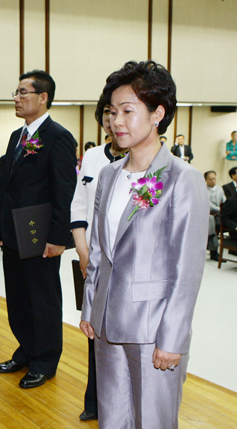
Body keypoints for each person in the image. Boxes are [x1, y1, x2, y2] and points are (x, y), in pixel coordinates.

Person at [80, 61, 208, 429]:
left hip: (153, 331)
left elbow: (186, 270)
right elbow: (100, 250)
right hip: (107, 323)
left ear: (158, 114)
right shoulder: (108, 175)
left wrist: (173, 337)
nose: (116, 121)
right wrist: (90, 306)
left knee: (152, 421)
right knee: (113, 419)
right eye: (111, 111)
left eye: (127, 111)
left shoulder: (183, 180)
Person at [0, 70, 77, 389]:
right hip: (14, 232)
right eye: (15, 92)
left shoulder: (58, 137)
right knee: (17, 298)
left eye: (23, 92)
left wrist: (58, 238)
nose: (16, 98)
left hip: (41, 235)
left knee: (42, 300)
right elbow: (8, 187)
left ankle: (45, 359)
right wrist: (0, 228)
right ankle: (26, 350)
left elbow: (63, 192)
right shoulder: (18, 136)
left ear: (43, 98)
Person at [70, 96, 127, 422]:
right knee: (94, 331)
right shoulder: (92, 157)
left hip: (126, 263)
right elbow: (78, 206)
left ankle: (121, 403)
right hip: (92, 261)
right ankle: (95, 401)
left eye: (120, 112)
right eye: (107, 112)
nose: (113, 119)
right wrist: (82, 250)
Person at [205, 170, 226, 261]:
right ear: (206, 180)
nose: (213, 181)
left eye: (214, 179)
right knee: (212, 221)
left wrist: (224, 209)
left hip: (220, 215)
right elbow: (210, 206)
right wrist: (221, 209)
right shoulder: (203, 189)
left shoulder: (220, 189)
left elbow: (224, 201)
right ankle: (214, 252)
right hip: (209, 215)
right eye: (210, 179)